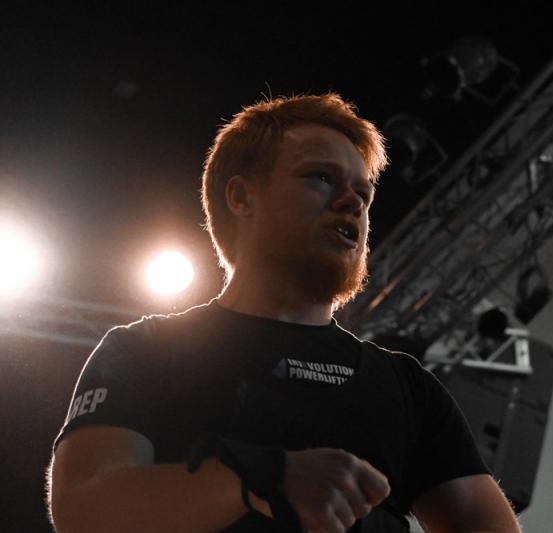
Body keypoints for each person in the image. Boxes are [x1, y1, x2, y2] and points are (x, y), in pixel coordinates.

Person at [47, 93, 521, 532]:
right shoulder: (144, 352)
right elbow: (83, 508)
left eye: (364, 194)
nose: (352, 202)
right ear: (241, 197)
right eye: (321, 177)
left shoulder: (408, 388)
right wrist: (260, 480)